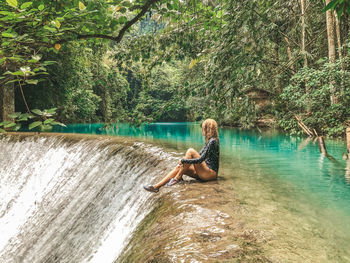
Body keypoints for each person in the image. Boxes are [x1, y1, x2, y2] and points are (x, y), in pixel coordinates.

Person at [143, 119, 220, 193]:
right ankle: (156, 187)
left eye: (203, 127)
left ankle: (177, 178)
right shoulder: (210, 141)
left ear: (207, 128)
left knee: (190, 151)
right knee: (180, 167)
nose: (202, 129)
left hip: (210, 174)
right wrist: (185, 162)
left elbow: (200, 160)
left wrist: (184, 161)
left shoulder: (212, 141)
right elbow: (200, 156)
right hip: (205, 173)